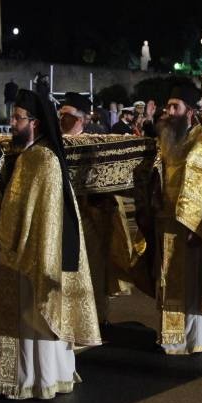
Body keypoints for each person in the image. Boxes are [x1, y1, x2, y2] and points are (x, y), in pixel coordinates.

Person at [0, 89, 101, 398]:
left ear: (35, 123)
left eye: (18, 118)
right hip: (21, 251)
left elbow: (48, 218)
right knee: (27, 321)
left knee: (36, 321)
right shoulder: (27, 156)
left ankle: (40, 380)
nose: (12, 123)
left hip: (35, 255)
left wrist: (28, 249)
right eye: (12, 117)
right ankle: (30, 378)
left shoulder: (44, 160)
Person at [144, 84, 202, 353]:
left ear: (190, 111)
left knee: (190, 283)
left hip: (189, 227)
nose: (169, 111)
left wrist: (190, 222)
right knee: (168, 279)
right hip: (166, 222)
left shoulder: (199, 144)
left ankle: (194, 339)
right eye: (168, 106)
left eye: (176, 107)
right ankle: (173, 337)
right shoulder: (170, 139)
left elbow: (200, 184)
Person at [59, 92, 135, 325]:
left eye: (68, 116)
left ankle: (95, 320)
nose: (62, 119)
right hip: (63, 215)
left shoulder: (96, 142)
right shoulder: (55, 143)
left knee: (93, 268)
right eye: (60, 114)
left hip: (91, 214)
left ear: (81, 119)